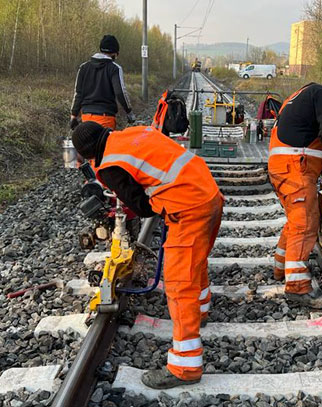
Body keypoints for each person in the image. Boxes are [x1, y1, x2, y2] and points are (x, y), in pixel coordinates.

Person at [72, 121, 223, 389]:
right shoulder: (132, 133)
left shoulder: (107, 165)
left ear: (89, 154)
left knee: (178, 284)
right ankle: (200, 311)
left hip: (187, 206)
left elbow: (142, 208)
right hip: (208, 193)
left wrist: (145, 200)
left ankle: (185, 365)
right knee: (195, 262)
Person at [268, 82, 322, 309]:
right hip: (296, 166)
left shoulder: (299, 94)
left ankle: (280, 266)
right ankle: (297, 287)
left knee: (296, 221)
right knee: (305, 223)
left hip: (282, 167)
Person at [70, 35, 133, 131]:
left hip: (86, 118)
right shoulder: (114, 68)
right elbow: (120, 92)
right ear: (115, 54)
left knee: (88, 145)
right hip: (106, 118)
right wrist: (129, 112)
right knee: (105, 145)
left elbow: (78, 93)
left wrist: (73, 115)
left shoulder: (84, 67)